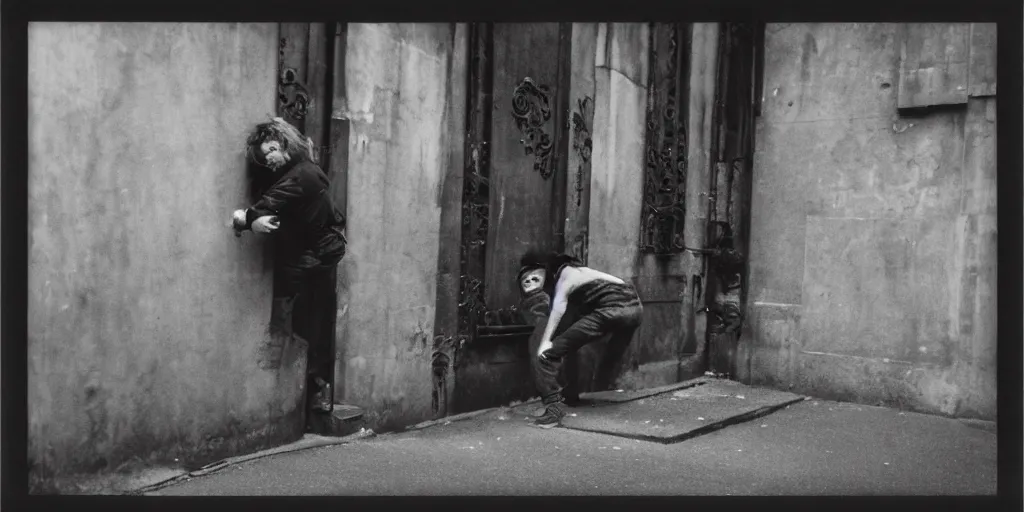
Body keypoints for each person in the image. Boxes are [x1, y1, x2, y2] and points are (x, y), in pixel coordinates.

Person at [231, 117, 347, 413]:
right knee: (310, 320)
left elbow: (269, 203)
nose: (267, 158)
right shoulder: (300, 168)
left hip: (316, 256)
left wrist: (245, 219)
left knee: (305, 321)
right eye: (263, 155)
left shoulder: (304, 174)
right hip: (317, 252)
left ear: (284, 143)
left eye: (270, 149)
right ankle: (313, 391)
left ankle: (312, 393)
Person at [517, 250, 643, 428]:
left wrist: (546, 343)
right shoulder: (582, 273)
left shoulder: (565, 277)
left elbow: (558, 311)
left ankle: (553, 411)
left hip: (611, 312)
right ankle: (571, 394)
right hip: (635, 310)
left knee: (547, 355)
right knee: (571, 343)